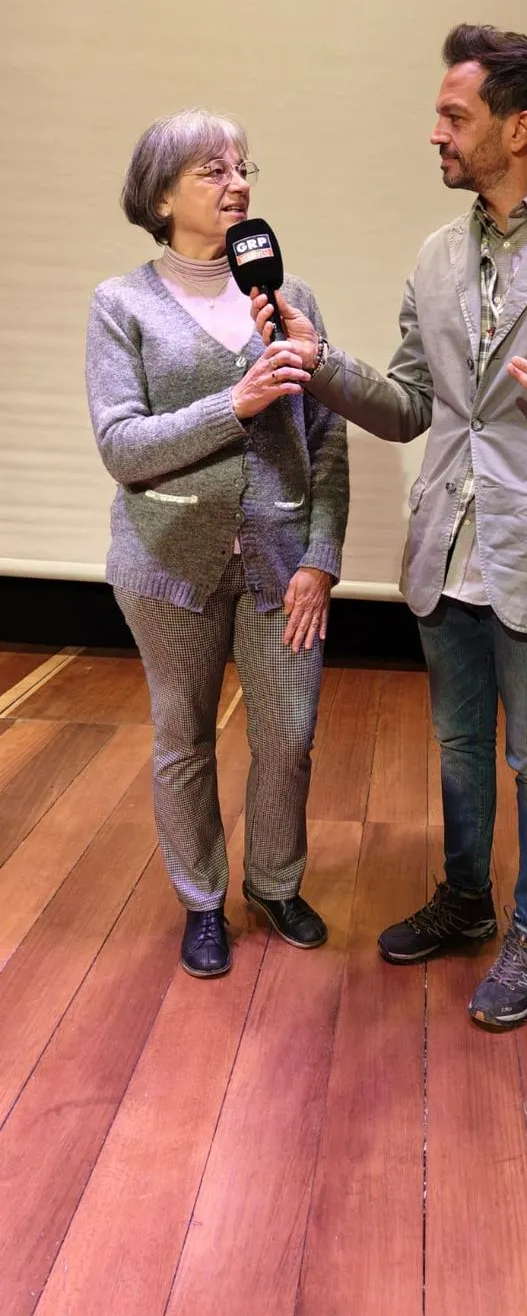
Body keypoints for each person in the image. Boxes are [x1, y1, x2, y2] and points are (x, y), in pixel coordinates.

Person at [252, 25, 527, 1029]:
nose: (436, 134)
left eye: (453, 117)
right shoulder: (435, 256)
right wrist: (319, 362)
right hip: (445, 545)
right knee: (459, 745)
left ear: (518, 127)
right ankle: (465, 900)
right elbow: (412, 404)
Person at [86, 109, 348, 978]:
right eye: (213, 170)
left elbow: (328, 442)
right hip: (166, 564)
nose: (238, 184)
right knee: (183, 739)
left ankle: (274, 884)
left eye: (243, 169)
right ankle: (202, 900)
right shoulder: (121, 304)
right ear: (162, 197)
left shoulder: (289, 295)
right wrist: (233, 405)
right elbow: (122, 447)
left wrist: (321, 557)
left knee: (290, 737)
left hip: (281, 564)